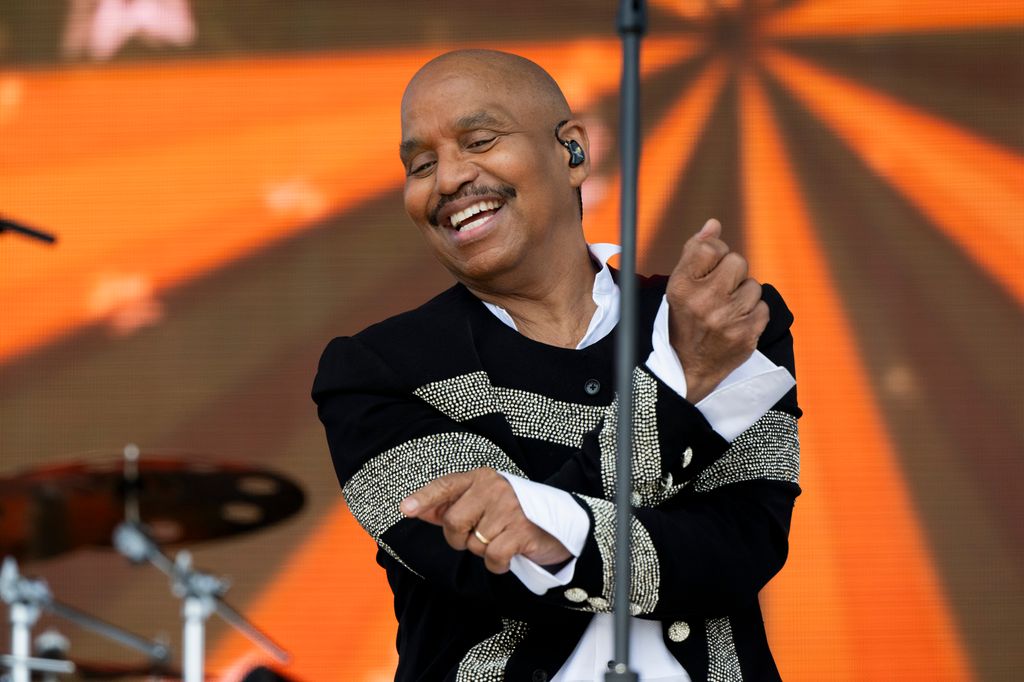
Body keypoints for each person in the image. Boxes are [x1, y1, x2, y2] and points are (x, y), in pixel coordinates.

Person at [313, 49, 801, 681]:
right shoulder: (374, 370)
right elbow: (487, 570)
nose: (448, 179)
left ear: (573, 149)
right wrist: (680, 384)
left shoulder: (719, 319)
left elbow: (742, 547)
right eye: (421, 165)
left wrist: (556, 525)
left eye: (479, 141)